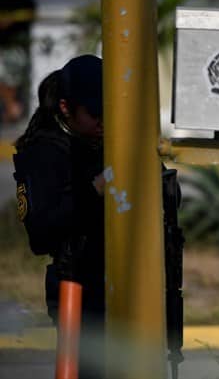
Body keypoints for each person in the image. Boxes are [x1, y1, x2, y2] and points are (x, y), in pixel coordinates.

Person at [13, 54, 105, 379]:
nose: (103, 122)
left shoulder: (103, 144)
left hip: (120, 287)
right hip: (79, 289)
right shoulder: (47, 151)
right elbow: (40, 234)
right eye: (95, 113)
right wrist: (94, 190)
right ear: (66, 108)